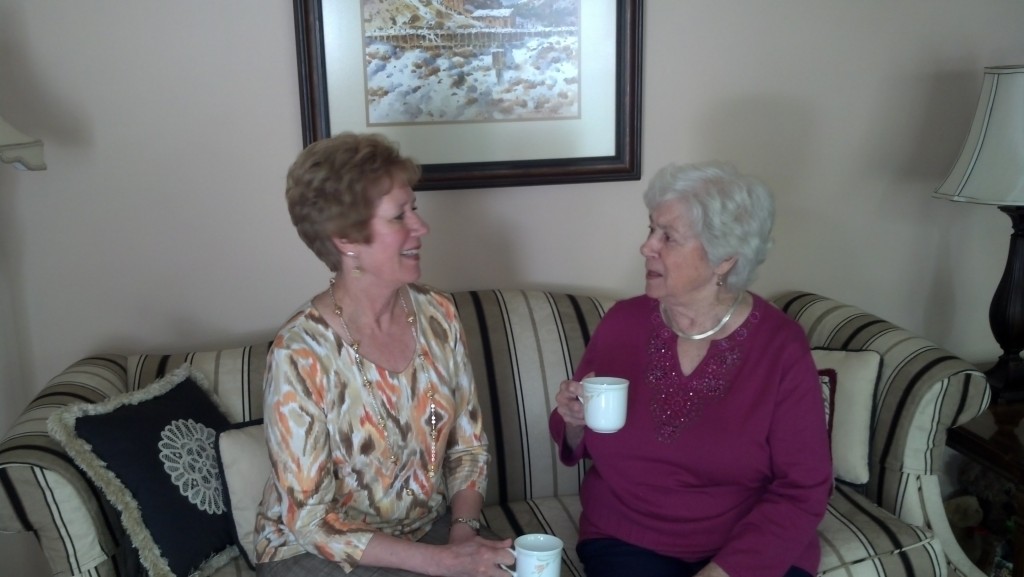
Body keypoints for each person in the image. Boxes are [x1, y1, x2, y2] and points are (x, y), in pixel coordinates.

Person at [549, 161, 833, 577]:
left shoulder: (779, 346)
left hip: (747, 548)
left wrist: (724, 571)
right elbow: (579, 433)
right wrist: (573, 420)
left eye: (668, 237)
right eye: (651, 230)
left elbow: (804, 487)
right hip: (627, 539)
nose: (647, 246)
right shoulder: (623, 324)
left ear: (724, 260)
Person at [254, 132, 514, 577]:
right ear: (345, 238)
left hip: (427, 532)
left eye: (416, 208)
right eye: (400, 216)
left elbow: (468, 449)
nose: (422, 227)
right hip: (314, 553)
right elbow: (311, 523)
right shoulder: (299, 355)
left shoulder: (440, 315)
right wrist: (440, 563)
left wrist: (464, 533)